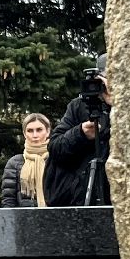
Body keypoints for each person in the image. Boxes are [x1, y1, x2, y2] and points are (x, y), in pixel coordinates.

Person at [45, 55, 112, 207]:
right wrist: (80, 133)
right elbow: (55, 147)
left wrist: (114, 104)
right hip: (81, 197)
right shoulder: (79, 106)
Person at [1, 113, 51, 208]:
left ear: (48, 131)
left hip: (55, 219)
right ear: (24, 133)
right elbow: (8, 202)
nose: (35, 135)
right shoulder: (14, 163)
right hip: (23, 221)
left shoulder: (57, 159)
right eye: (30, 131)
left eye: (39, 130)